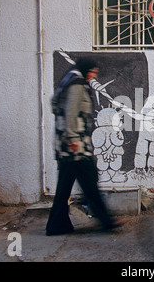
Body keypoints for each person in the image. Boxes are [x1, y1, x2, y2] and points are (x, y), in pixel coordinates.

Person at [46, 57, 125, 236]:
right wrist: (73, 138)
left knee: (64, 187)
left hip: (65, 146)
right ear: (85, 69)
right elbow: (72, 113)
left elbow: (55, 106)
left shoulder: (67, 80)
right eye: (93, 72)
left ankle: (57, 225)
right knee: (90, 182)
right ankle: (106, 221)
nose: (93, 76)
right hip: (76, 146)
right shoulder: (76, 84)